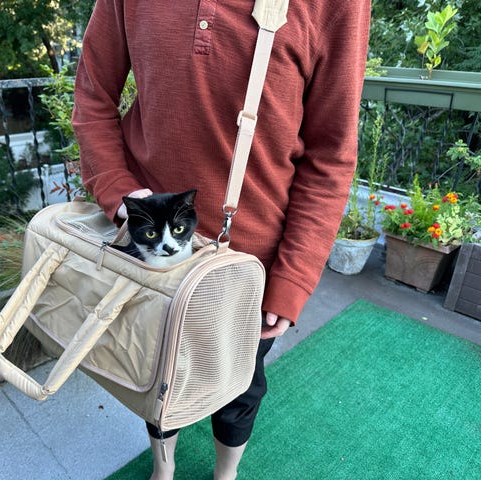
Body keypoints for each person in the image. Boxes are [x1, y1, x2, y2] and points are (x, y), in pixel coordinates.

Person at [72, 1, 371, 478]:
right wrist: (118, 191)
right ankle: (162, 470)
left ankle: (225, 474)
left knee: (240, 384)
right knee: (158, 376)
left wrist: (294, 276)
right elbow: (91, 98)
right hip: (148, 252)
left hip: (250, 264)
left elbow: (331, 152)